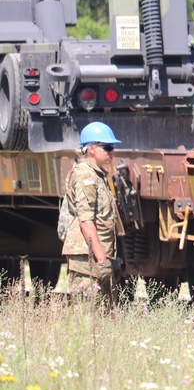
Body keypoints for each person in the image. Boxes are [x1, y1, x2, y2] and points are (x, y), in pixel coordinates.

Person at [60, 121, 124, 306]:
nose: (111, 152)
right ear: (92, 149)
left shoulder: (97, 176)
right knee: (88, 316)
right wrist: (102, 259)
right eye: (107, 147)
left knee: (105, 315)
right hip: (86, 259)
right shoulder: (84, 176)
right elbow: (86, 221)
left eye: (112, 148)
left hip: (97, 256)